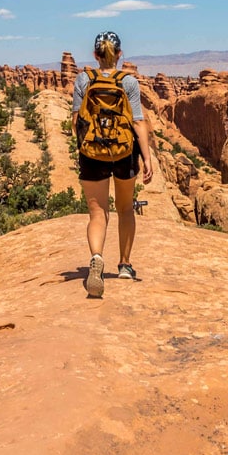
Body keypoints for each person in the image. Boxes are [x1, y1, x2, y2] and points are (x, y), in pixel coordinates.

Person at [71, 30, 153, 298]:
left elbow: (76, 122)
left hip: (92, 152)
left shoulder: (83, 79)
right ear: (119, 55)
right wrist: (147, 156)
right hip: (124, 151)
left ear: (95, 55)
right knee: (126, 208)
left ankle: (96, 257)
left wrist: (87, 145)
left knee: (98, 213)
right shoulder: (128, 82)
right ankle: (125, 265)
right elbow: (138, 121)